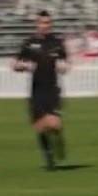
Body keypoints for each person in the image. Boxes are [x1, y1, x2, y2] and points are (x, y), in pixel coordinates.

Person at [12, 11, 69, 170]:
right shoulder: (29, 44)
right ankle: (48, 155)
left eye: (48, 23)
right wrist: (22, 66)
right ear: (37, 24)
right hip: (36, 91)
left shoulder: (56, 43)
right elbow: (14, 64)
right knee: (40, 127)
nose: (45, 26)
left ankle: (57, 139)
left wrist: (63, 66)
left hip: (52, 90)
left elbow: (64, 62)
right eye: (43, 23)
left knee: (54, 124)